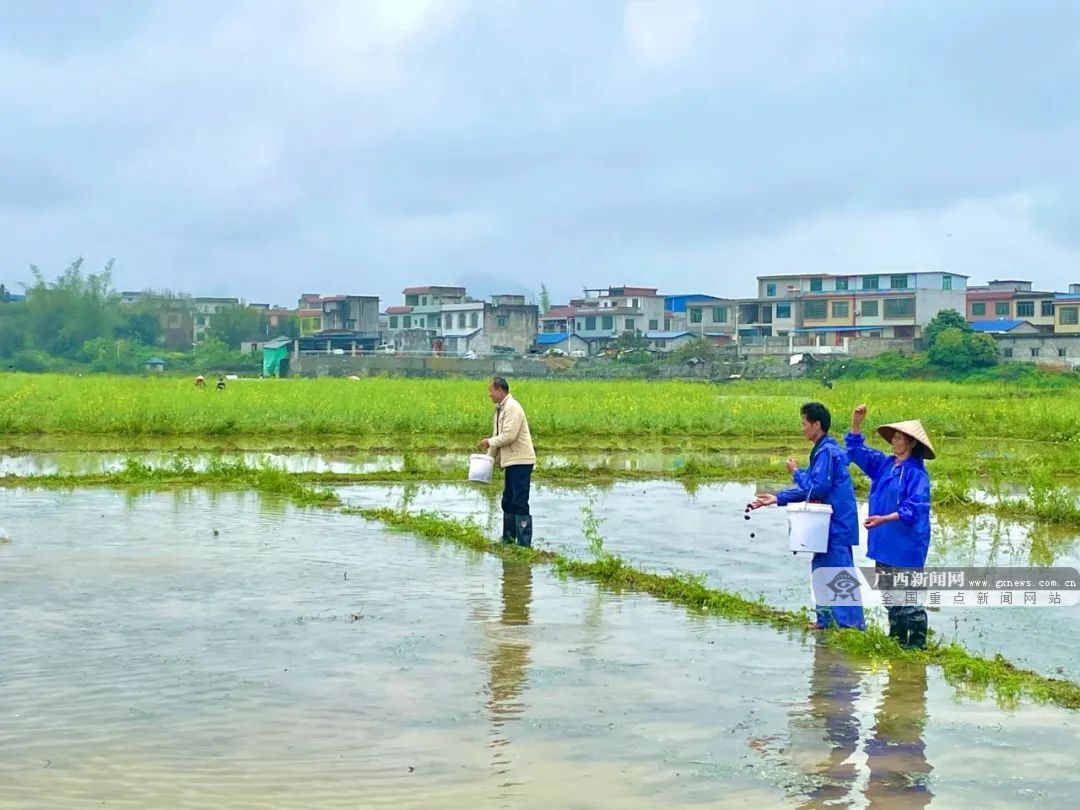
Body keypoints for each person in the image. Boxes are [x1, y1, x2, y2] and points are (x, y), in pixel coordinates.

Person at [750, 402, 864, 631]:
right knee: (821, 568)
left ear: (816, 425)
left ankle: (850, 627)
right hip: (825, 523)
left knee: (839, 572)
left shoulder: (829, 453)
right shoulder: (822, 451)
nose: (802, 429)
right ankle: (825, 621)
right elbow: (810, 487)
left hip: (837, 524)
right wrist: (777, 498)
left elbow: (817, 488)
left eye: (804, 424)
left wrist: (795, 472)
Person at [846, 405, 933, 649]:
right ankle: (896, 641)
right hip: (884, 542)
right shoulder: (885, 465)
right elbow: (856, 451)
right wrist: (856, 424)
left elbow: (914, 508)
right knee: (890, 595)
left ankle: (916, 646)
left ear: (912, 443)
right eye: (893, 437)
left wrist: (884, 518)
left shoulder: (917, 475)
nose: (894, 441)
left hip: (907, 544)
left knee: (910, 599)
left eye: (900, 438)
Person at [479, 377, 536, 547]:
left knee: (519, 500)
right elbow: (498, 436)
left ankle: (524, 544)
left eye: (491, 391)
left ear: (499, 390)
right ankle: (508, 540)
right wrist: (488, 461)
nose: (489, 395)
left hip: (521, 460)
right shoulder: (500, 410)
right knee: (508, 500)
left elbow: (508, 436)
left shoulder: (512, 408)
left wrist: (489, 442)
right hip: (511, 461)